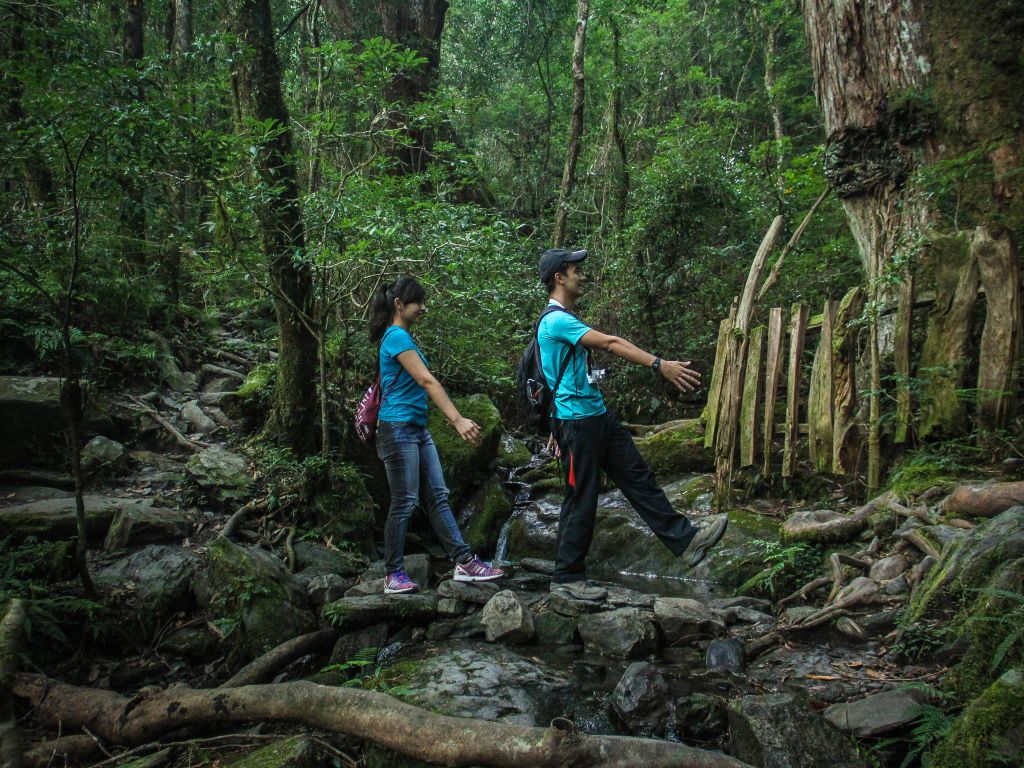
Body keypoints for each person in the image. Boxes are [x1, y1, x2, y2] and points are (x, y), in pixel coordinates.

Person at [535, 248, 728, 601]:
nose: (582, 275)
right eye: (576, 270)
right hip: (576, 425)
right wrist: (660, 365)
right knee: (582, 497)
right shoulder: (555, 321)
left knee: (638, 476)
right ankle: (566, 577)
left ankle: (686, 541)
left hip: (597, 417)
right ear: (559, 278)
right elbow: (610, 342)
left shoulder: (565, 318)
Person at [369, 277, 504, 594]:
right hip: (397, 429)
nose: (424, 308)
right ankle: (393, 574)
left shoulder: (405, 338)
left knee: (438, 496)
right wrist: (457, 420)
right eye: (419, 302)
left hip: (416, 428)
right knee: (404, 501)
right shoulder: (396, 338)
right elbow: (428, 381)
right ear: (400, 304)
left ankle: (464, 562)